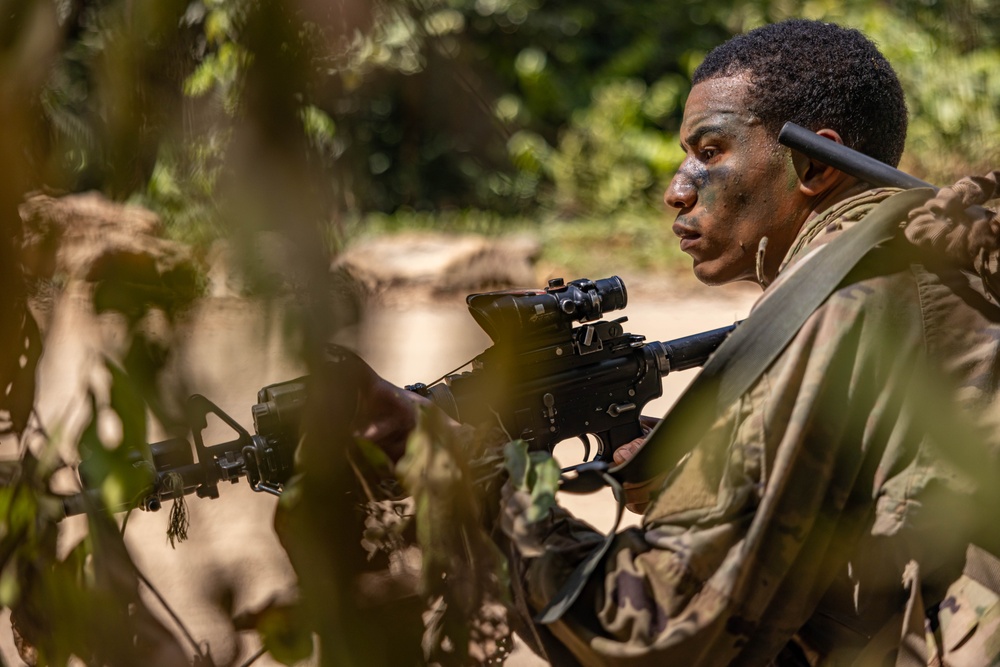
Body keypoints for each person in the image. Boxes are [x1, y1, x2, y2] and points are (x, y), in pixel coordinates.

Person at [352, 18, 1000, 665]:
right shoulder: (939, 254)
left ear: (813, 164)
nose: (676, 190)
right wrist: (688, 482)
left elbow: (653, 634)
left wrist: (458, 469)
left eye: (710, 151)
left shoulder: (846, 302)